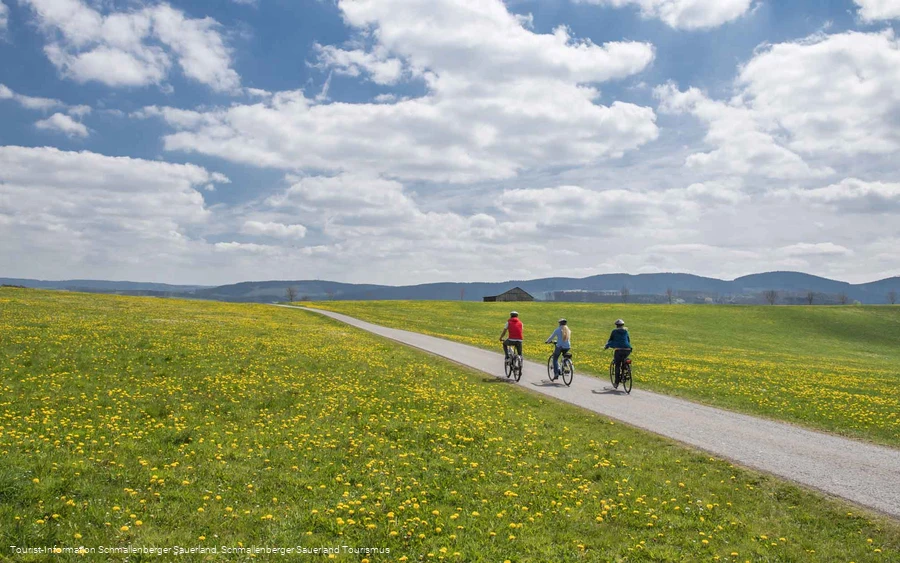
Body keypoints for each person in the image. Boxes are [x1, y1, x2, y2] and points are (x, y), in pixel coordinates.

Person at [604, 319, 632, 384]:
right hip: (628, 349)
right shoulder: (626, 331)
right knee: (624, 359)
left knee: (617, 365)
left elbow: (611, 340)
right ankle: (625, 368)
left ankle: (616, 382)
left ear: (616, 325)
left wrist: (607, 346)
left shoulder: (614, 331)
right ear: (623, 325)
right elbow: (628, 340)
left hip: (619, 350)